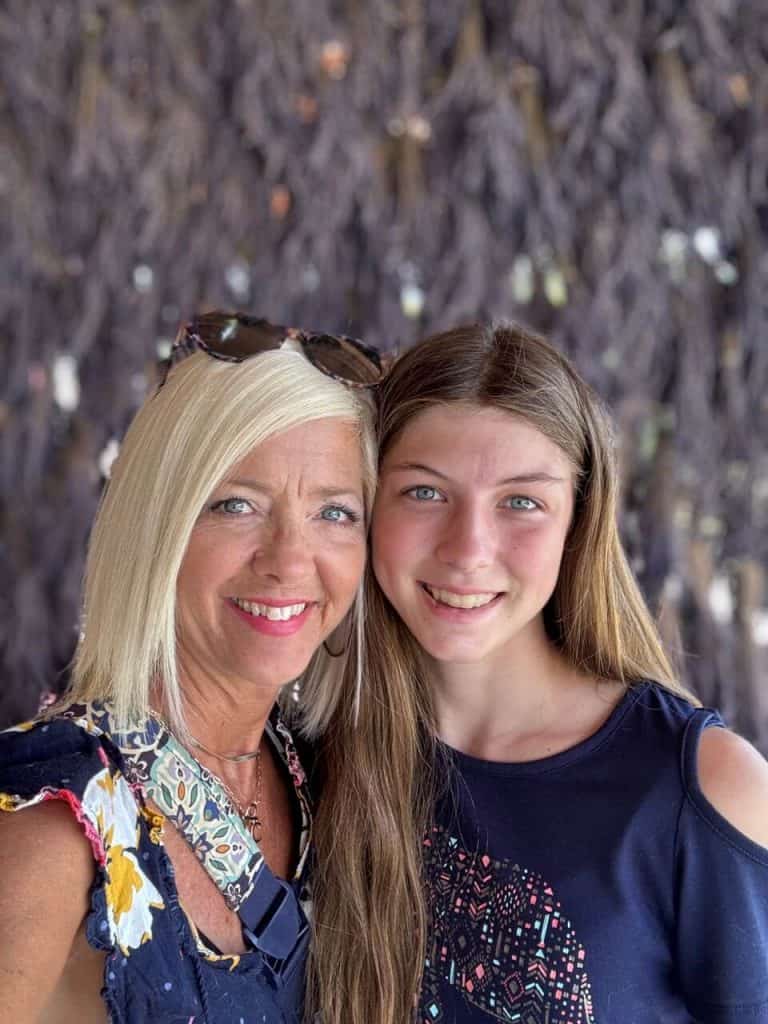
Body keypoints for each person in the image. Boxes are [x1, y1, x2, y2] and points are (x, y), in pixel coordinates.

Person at [312, 321, 768, 1024]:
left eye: (522, 502)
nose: (468, 550)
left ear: (576, 524)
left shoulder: (701, 790)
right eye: (425, 493)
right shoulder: (308, 762)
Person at [0, 312, 380, 1023]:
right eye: (237, 505)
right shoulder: (51, 822)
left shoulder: (319, 779)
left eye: (334, 513)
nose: (290, 561)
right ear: (157, 528)